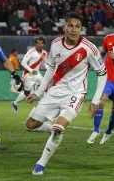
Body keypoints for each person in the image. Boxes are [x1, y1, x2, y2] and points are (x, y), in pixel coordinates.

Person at [25, 12, 107, 175]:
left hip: (75, 94)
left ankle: (40, 165)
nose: (74, 29)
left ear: (81, 29)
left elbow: (102, 73)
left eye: (77, 26)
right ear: (64, 27)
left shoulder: (89, 48)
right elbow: (50, 70)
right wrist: (39, 93)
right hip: (55, 91)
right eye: (70, 25)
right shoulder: (55, 44)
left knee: (58, 127)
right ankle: (52, 128)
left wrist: (95, 101)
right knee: (30, 125)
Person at [87, 34, 114, 144]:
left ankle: (108, 132)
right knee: (101, 101)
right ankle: (96, 130)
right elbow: (101, 53)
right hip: (108, 79)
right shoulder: (108, 38)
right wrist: (92, 63)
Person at [11, 37, 47, 114]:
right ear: (35, 44)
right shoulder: (31, 52)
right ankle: (15, 103)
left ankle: (43, 105)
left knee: (45, 86)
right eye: (38, 43)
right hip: (28, 74)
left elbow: (44, 63)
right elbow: (23, 63)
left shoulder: (44, 53)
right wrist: (31, 70)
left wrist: (49, 69)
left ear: (44, 45)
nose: (40, 45)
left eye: (41, 43)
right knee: (26, 93)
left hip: (37, 74)